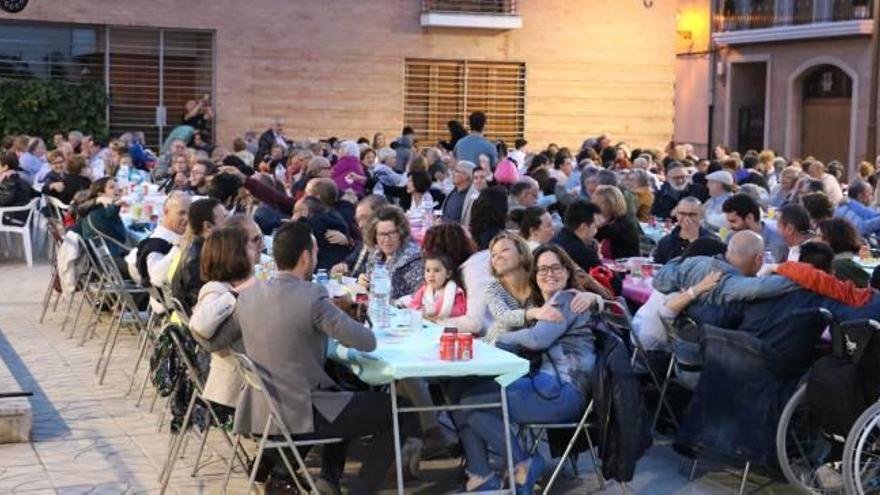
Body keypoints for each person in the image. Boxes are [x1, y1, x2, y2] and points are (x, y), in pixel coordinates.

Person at [233, 221, 415, 494]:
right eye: (315, 252)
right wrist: (340, 313)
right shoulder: (312, 296)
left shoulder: (247, 296)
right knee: (402, 411)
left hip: (265, 406)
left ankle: (327, 480)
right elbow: (366, 341)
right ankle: (362, 489)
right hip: (303, 410)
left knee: (345, 394)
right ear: (306, 257)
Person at [450, 245, 601, 493]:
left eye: (555, 267)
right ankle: (481, 474)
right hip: (544, 385)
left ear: (567, 271)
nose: (548, 273)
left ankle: (521, 463)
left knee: (469, 402)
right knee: (460, 390)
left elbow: (536, 339)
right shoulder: (548, 301)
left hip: (563, 395)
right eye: (542, 268)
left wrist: (498, 339)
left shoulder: (566, 299)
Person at [187, 224, 259, 409]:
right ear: (235, 256)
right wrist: (235, 293)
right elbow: (200, 324)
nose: (256, 251)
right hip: (232, 394)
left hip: (245, 387)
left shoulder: (238, 285)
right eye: (249, 247)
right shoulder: (216, 289)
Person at [170, 198, 227, 314]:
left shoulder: (197, 248)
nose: (231, 223)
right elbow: (206, 303)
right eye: (225, 219)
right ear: (208, 226)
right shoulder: (198, 260)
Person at [128, 192, 192, 291]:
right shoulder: (156, 244)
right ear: (166, 212)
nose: (188, 218)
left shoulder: (176, 235)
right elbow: (157, 280)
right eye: (181, 213)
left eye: (190, 213)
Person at [358, 205, 424, 300]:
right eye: (382, 234)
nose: (387, 239)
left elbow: (420, 297)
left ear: (401, 232)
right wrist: (364, 283)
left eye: (392, 233)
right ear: (374, 235)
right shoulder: (375, 255)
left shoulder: (414, 260)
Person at [332, 194, 389, 278]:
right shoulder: (365, 243)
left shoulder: (392, 245)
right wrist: (341, 267)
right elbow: (348, 263)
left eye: (365, 218)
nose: (360, 225)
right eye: (358, 220)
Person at [75, 177, 131, 260]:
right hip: (112, 261)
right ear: (101, 194)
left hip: (104, 259)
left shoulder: (92, 209)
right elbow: (108, 214)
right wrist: (116, 205)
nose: (117, 189)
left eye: (117, 186)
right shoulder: (99, 212)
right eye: (112, 187)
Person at [722, 193, 786, 261]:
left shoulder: (775, 241)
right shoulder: (731, 236)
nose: (729, 227)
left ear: (750, 218)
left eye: (733, 221)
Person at [652, 197, 717, 264]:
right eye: (682, 214)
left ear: (700, 216)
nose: (687, 218)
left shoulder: (712, 241)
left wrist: (693, 239)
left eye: (692, 215)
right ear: (677, 215)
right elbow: (657, 268)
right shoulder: (665, 242)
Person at [408, 253, 467, 323]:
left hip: (445, 325)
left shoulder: (454, 291)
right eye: (427, 270)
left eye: (436, 270)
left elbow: (461, 309)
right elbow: (413, 304)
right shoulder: (424, 289)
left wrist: (436, 308)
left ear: (448, 274)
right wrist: (420, 311)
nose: (431, 275)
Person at [815, 217, 870, 287]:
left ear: (832, 239)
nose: (814, 240)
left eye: (818, 236)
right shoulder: (854, 258)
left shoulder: (839, 265)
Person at [551, 200, 602, 272]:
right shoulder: (584, 254)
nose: (596, 231)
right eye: (595, 227)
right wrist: (598, 257)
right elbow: (613, 281)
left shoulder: (555, 240)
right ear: (583, 227)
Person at [593, 185, 640, 259]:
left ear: (612, 205)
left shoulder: (623, 225)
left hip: (624, 267)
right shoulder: (606, 222)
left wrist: (595, 225)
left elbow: (598, 233)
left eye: (601, 204)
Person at [0, 152, 37, 225]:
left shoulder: (9, 182)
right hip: (20, 217)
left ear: (5, 167)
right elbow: (36, 193)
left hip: (11, 218)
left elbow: (2, 201)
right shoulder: (19, 179)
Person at [440, 160, 478, 225]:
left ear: (466, 176)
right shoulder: (453, 192)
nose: (453, 173)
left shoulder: (473, 197)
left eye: (457, 171)